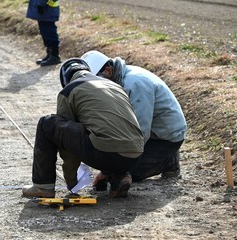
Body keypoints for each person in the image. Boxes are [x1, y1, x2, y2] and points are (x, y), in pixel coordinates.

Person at [22, 58, 144, 198]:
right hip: (136, 155)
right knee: (106, 133)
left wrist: (72, 181)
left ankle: (43, 186)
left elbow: (66, 145)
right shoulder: (116, 87)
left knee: (47, 123)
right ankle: (120, 178)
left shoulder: (69, 90)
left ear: (65, 80)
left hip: (106, 152)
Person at [81, 50, 187, 185]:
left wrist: (111, 169)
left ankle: (168, 161)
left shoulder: (135, 84)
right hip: (150, 133)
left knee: (123, 174)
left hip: (164, 137)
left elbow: (141, 129)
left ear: (108, 71)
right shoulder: (118, 79)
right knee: (115, 168)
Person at [26, 0, 61, 66]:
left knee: (49, 32)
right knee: (45, 31)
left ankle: (54, 56)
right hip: (44, 7)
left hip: (48, 7)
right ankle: (50, 54)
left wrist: (41, 4)